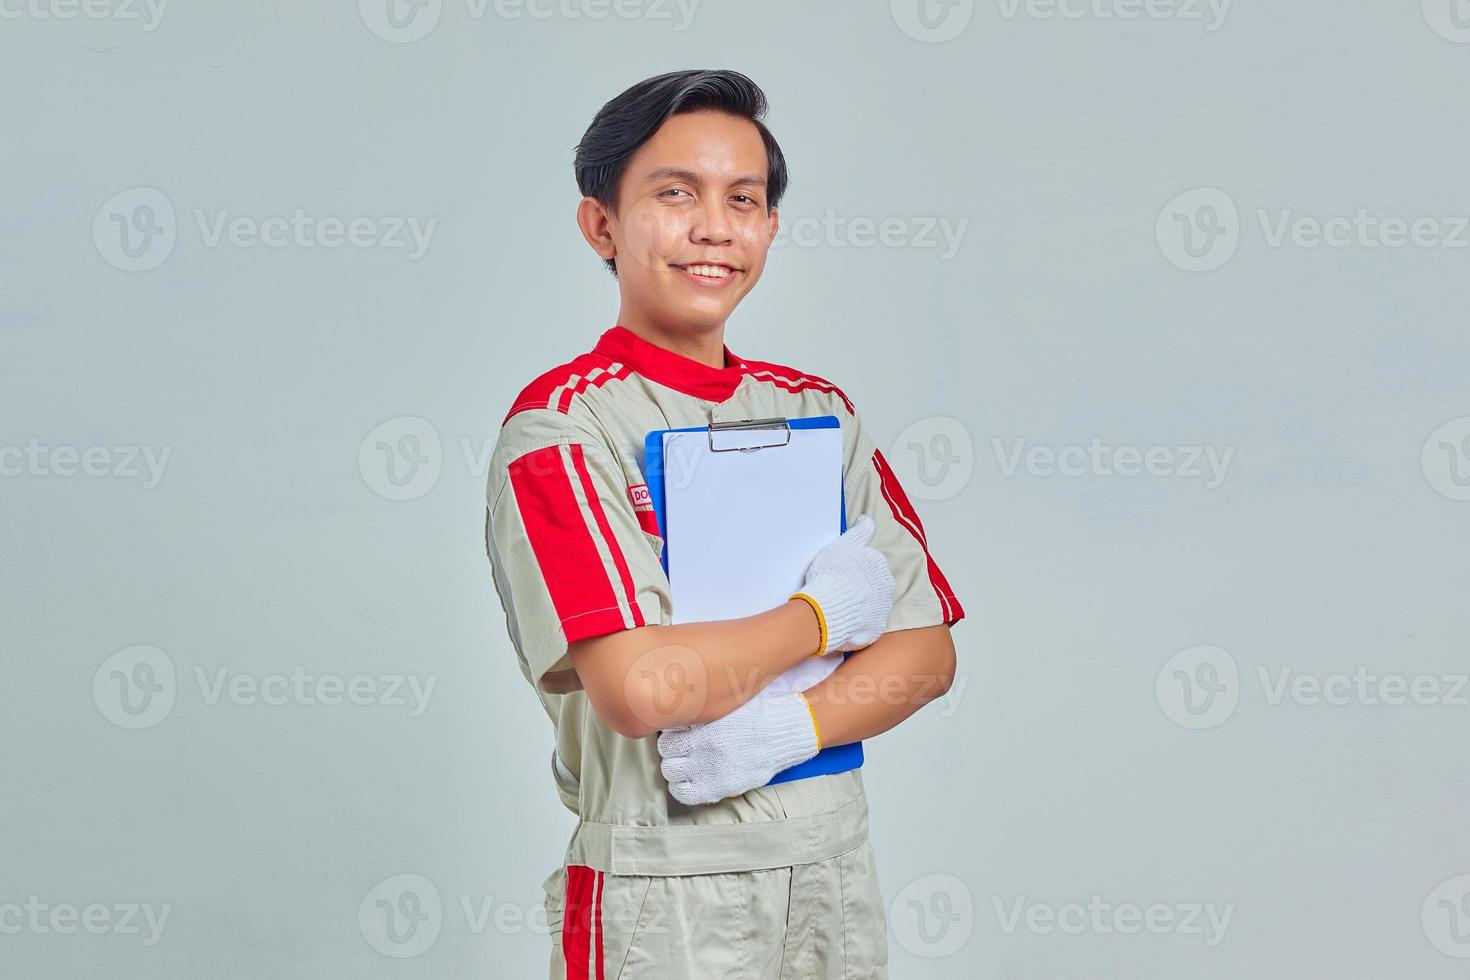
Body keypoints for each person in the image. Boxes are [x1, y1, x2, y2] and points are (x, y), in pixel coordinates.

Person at [484, 68, 965, 980]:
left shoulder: (821, 414)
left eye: (742, 199)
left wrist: (791, 731)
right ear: (602, 225)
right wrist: (820, 620)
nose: (714, 226)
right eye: (675, 193)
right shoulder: (563, 430)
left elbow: (926, 656)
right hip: (662, 891)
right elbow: (644, 691)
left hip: (831, 869)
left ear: (770, 228)